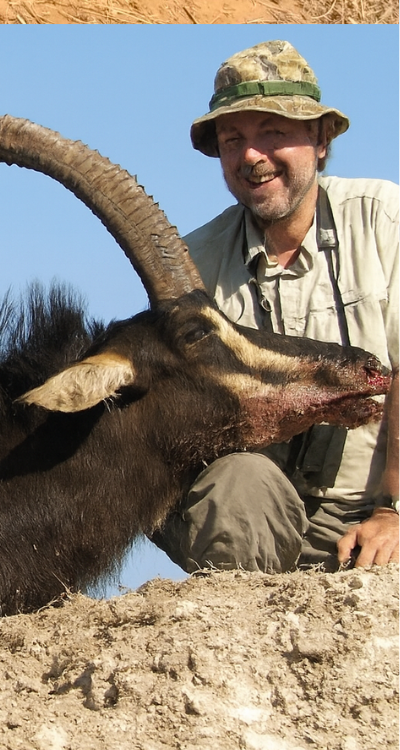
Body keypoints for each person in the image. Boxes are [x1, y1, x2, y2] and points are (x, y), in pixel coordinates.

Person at [154, 39, 398, 575]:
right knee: (238, 481)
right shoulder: (190, 260)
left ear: (321, 139)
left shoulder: (385, 217)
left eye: (275, 133)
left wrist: (391, 510)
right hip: (255, 510)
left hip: (371, 512)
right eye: (233, 139)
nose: (252, 156)